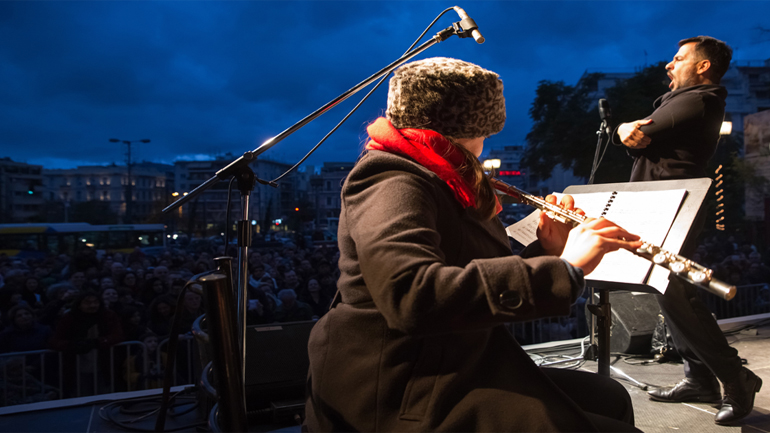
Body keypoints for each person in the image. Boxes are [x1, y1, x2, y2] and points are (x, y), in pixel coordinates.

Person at [304, 57, 644, 432]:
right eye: (485, 135)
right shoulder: (391, 178)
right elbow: (411, 294)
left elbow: (465, 265)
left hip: (452, 358)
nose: (483, 148)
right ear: (467, 130)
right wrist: (565, 268)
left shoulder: (443, 176)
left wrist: (548, 249)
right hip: (400, 382)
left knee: (609, 396)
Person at [614, 36, 762, 425]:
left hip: (674, 205)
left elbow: (640, 131)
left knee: (675, 291)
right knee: (667, 291)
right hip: (661, 204)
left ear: (702, 66)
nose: (669, 64)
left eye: (679, 58)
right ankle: (699, 378)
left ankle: (735, 376)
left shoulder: (699, 99)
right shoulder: (680, 100)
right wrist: (627, 131)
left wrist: (625, 127)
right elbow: (638, 139)